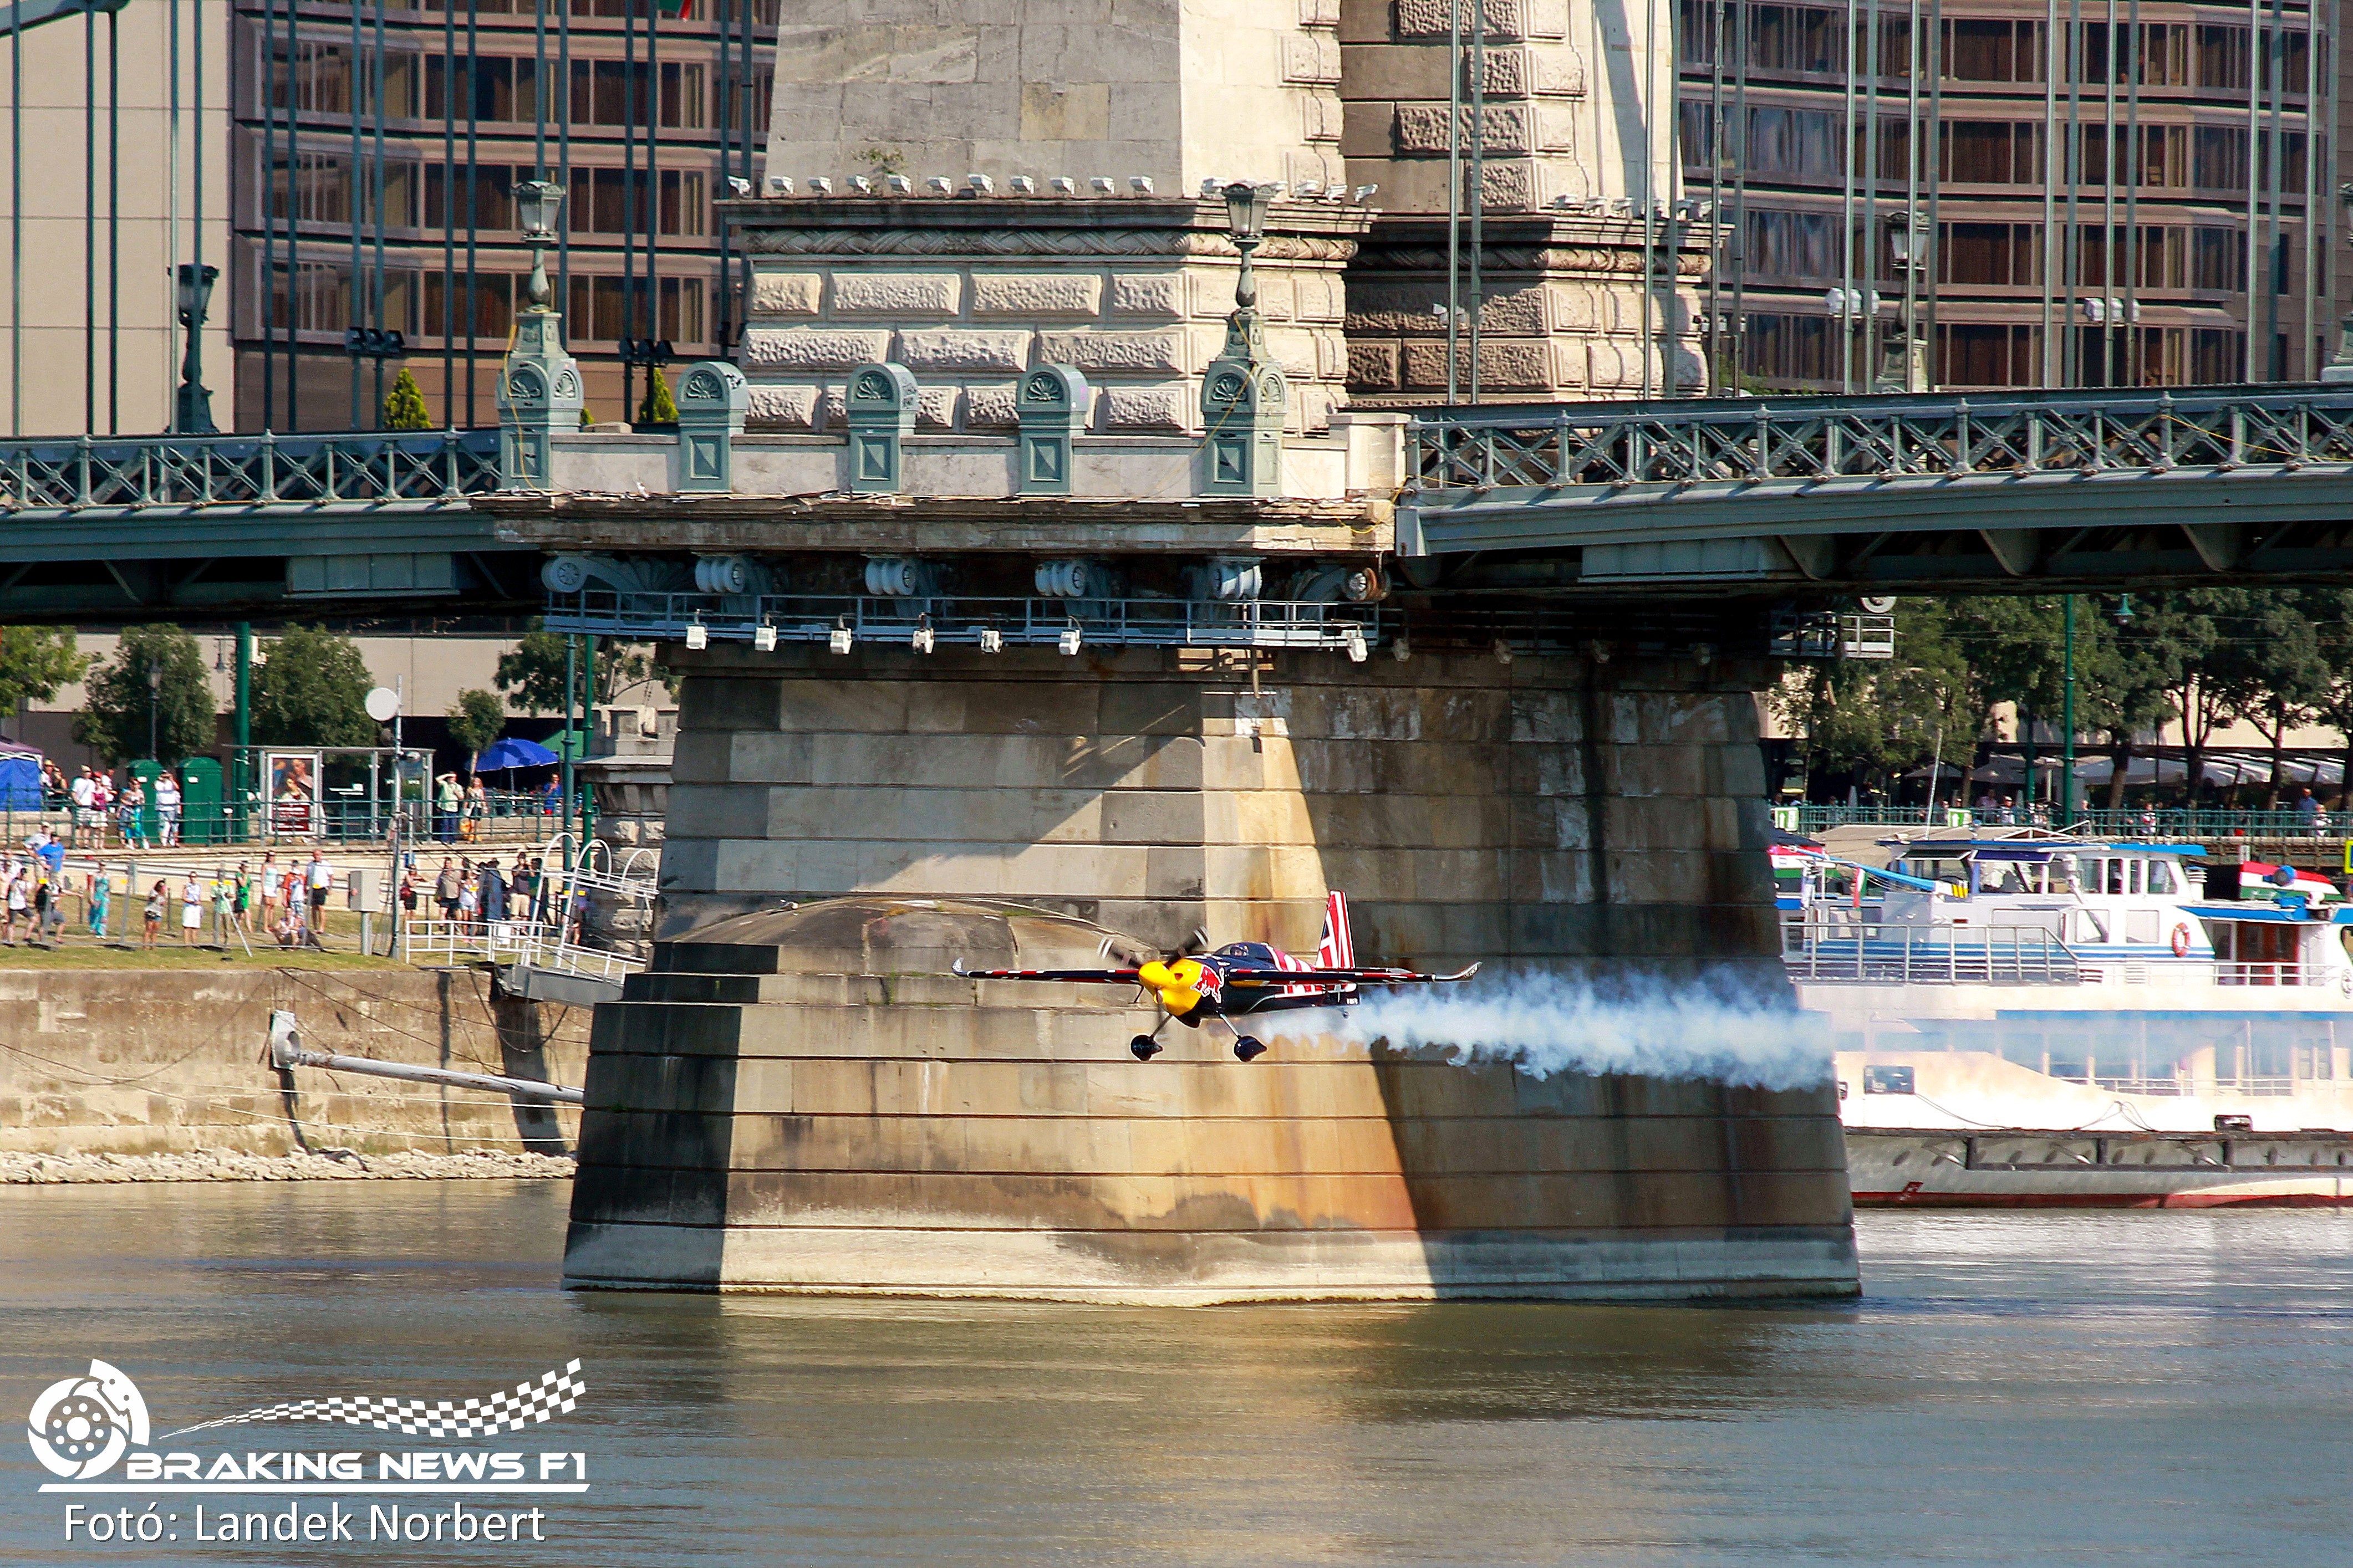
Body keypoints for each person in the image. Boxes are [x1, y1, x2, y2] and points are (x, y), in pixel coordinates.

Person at [305, 849, 333, 939]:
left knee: (320, 907)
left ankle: (322, 928)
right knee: (313, 908)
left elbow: (331, 876)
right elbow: (308, 876)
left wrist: (330, 887)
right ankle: (315, 927)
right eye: (315, 855)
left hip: (322, 887)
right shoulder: (310, 865)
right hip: (313, 887)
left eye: (318, 855)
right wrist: (306, 887)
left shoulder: (326, 864)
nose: (317, 856)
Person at [67, 767, 95, 848]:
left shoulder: (92, 783)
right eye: (86, 772)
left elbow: (92, 794)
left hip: (88, 806)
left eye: (89, 772)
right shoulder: (78, 781)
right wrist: (77, 802)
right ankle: (77, 842)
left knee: (87, 825)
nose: (87, 773)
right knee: (79, 825)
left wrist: (94, 802)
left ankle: (86, 843)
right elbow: (73, 793)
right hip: (80, 805)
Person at [116, 776, 145, 849]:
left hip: (136, 811)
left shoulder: (140, 793)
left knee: (136, 826)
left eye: (138, 784)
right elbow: (122, 800)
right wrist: (129, 803)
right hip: (128, 810)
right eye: (134, 784)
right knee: (126, 826)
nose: (136, 786)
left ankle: (141, 842)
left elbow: (143, 801)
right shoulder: (128, 793)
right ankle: (127, 843)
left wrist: (140, 803)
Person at [155, 770, 182, 847]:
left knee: (174, 825)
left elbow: (177, 788)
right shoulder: (158, 783)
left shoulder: (171, 783)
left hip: (171, 807)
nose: (164, 776)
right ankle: (163, 842)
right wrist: (159, 779)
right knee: (161, 825)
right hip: (160, 807)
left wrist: (171, 779)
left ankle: (176, 841)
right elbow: (153, 786)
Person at [258, 852, 284, 933]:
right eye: (270, 856)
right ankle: (265, 926)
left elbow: (276, 877)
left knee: (272, 906)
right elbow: (263, 877)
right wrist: (263, 888)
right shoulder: (265, 865)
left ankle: (270, 925)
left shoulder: (275, 866)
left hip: (274, 887)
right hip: (267, 887)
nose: (272, 857)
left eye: (273, 856)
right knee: (268, 906)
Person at [434, 772, 462, 843]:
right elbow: (437, 779)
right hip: (444, 807)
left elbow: (462, 798)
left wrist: (457, 793)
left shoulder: (458, 787)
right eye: (450, 778)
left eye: (453, 778)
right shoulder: (445, 784)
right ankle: (444, 840)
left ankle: (452, 841)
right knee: (444, 824)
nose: (451, 779)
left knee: (452, 825)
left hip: (453, 808)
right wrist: (448, 775)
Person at [179, 871, 202, 947]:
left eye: (194, 877)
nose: (193, 878)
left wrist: (199, 902)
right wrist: (190, 901)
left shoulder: (198, 886)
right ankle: (187, 943)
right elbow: (184, 897)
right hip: (189, 906)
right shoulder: (187, 886)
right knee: (187, 926)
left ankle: (195, 943)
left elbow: (200, 897)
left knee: (195, 926)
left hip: (196, 907)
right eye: (192, 877)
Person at [436, 856, 462, 924]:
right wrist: (439, 894)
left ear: (451, 864)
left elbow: (460, 883)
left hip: (454, 896)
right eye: (446, 863)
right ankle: (441, 926)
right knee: (443, 912)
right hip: (444, 896)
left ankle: (459, 925)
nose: (447, 865)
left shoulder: (456, 873)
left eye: (448, 863)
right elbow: (439, 884)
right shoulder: (442, 874)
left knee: (456, 911)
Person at [142, 880, 164, 949]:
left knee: (155, 930)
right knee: (149, 929)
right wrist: (158, 895)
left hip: (158, 913)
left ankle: (153, 945)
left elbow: (162, 903)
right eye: (160, 886)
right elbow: (152, 899)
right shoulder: (153, 892)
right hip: (151, 912)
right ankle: (145, 945)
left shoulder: (163, 895)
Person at [232, 862, 253, 935]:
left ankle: (236, 930)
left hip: (246, 895)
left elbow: (249, 885)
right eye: (245, 867)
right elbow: (243, 884)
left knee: (241, 915)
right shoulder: (239, 875)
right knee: (247, 913)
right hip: (241, 895)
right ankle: (250, 929)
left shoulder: (248, 876)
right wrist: (245, 875)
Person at [88, 867, 108, 940]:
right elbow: (92, 886)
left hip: (105, 896)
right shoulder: (96, 875)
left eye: (104, 865)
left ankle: (102, 932)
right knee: (95, 912)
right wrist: (91, 896)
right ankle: (94, 928)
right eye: (101, 865)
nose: (102, 867)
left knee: (103, 914)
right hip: (97, 895)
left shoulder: (108, 876)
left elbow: (109, 887)